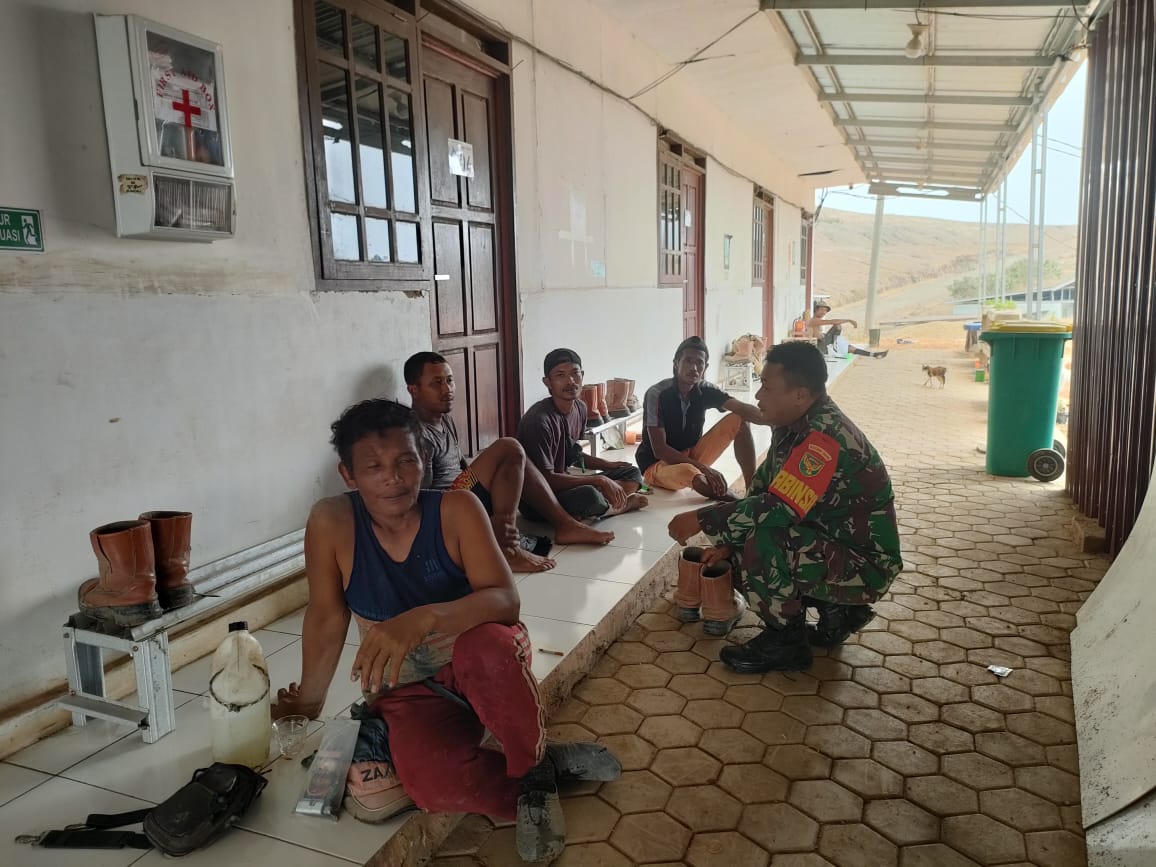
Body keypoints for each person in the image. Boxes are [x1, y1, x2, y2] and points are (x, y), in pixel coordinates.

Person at [271, 399, 620, 862]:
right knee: (431, 784)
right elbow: (326, 616)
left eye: (406, 461)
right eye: (373, 467)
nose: (393, 478)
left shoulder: (456, 509)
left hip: (486, 670)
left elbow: (505, 601)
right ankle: (542, 769)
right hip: (409, 689)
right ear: (348, 475)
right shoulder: (331, 522)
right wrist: (309, 701)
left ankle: (530, 770)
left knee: (485, 645)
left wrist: (424, 618)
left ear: (425, 460)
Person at [667, 342, 902, 674]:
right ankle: (839, 613)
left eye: (766, 386)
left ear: (799, 395)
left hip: (865, 565)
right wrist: (728, 543)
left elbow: (779, 508)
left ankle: (786, 642)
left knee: (764, 544)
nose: (758, 395)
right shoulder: (792, 425)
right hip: (833, 542)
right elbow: (763, 490)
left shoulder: (824, 437)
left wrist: (701, 519)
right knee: (738, 549)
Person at [404, 352, 615, 574]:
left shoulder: (443, 419)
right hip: (447, 508)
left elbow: (461, 468)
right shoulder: (416, 435)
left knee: (518, 456)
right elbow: (421, 500)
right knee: (509, 447)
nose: (447, 389)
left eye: (449, 380)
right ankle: (507, 547)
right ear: (413, 390)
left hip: (462, 494)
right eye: (436, 383)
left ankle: (564, 525)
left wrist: (488, 480)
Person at [517, 349, 648, 521]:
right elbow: (545, 479)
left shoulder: (580, 408)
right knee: (589, 496)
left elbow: (573, 454)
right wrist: (598, 481)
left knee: (632, 472)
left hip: (564, 484)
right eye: (560, 375)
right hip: (539, 499)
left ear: (582, 375)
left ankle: (605, 503)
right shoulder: (538, 422)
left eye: (575, 373)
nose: (570, 381)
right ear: (547, 382)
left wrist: (608, 465)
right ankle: (618, 506)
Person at [635, 336, 766, 500]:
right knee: (692, 474)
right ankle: (741, 503)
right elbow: (659, 449)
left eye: (699, 363)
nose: (694, 368)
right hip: (658, 464)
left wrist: (773, 420)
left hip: (691, 455)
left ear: (706, 367)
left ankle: (752, 490)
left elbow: (740, 408)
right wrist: (703, 468)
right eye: (688, 361)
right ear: (676, 363)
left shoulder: (705, 389)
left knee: (739, 419)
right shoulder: (657, 394)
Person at [807, 302, 888, 359]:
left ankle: (874, 355)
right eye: (821, 309)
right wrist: (849, 320)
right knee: (837, 324)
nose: (824, 312)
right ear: (816, 310)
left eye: (825, 310)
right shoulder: (814, 320)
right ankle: (836, 345)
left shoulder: (816, 320)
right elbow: (833, 321)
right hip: (820, 346)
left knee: (849, 347)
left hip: (824, 343)